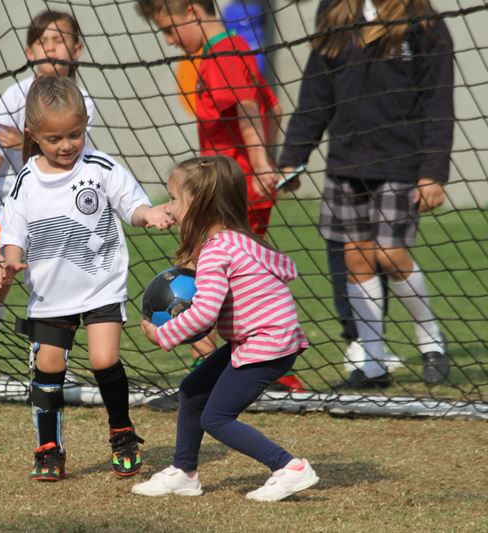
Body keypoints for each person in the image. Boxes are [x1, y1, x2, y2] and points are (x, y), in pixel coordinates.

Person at [0, 76, 171, 481]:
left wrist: (150, 215)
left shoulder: (100, 167)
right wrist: (10, 260)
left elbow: (132, 204)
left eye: (75, 134)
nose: (67, 145)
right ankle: (48, 448)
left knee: (104, 359)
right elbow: (13, 234)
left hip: (101, 286)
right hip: (50, 295)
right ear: (33, 134)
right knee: (48, 367)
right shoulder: (25, 182)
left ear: (85, 124)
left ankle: (122, 432)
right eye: (55, 137)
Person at [278, 0, 453, 389]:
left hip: (402, 163)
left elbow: (439, 103)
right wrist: (292, 159)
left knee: (389, 254)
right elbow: (315, 97)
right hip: (346, 162)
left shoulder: (424, 23)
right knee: (355, 258)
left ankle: (432, 342)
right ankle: (372, 362)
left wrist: (433, 173)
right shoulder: (336, 14)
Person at [135, 0, 307, 394]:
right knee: (219, 282)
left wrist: (261, 165)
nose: (170, 40)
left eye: (169, 29)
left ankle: (239, 371)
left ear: (192, 11)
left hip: (227, 199)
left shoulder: (226, 52)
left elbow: (249, 110)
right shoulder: (229, 50)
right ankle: (252, 369)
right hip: (232, 191)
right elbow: (273, 108)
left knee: (197, 278)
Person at [132, 155, 318, 502]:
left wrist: (164, 334)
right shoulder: (234, 239)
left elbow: (204, 314)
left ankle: (288, 467)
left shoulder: (218, 251)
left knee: (216, 418)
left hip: (267, 344)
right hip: (260, 339)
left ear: (202, 206)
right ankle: (184, 472)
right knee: (193, 389)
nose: (169, 207)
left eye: (175, 199)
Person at [0, 9, 95, 379]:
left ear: (76, 50)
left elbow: (69, 156)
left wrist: (27, 140)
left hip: (59, 209)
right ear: (30, 52)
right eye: (42, 40)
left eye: (59, 39)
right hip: (12, 208)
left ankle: (52, 359)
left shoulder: (81, 100)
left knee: (57, 289)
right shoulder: (15, 95)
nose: (51, 47)